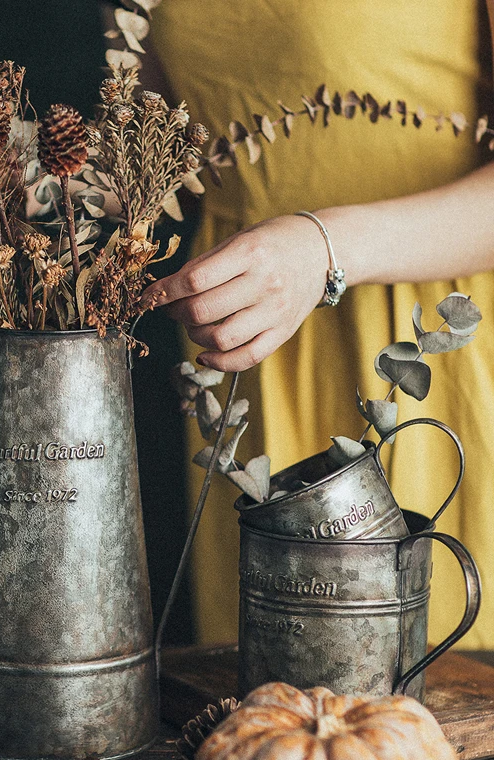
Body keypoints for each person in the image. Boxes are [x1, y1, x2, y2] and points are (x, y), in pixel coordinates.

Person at [138, 0, 494, 648]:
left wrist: (324, 250)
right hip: (248, 362)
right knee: (273, 707)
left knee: (426, 709)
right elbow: (155, 149)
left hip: (427, 350)